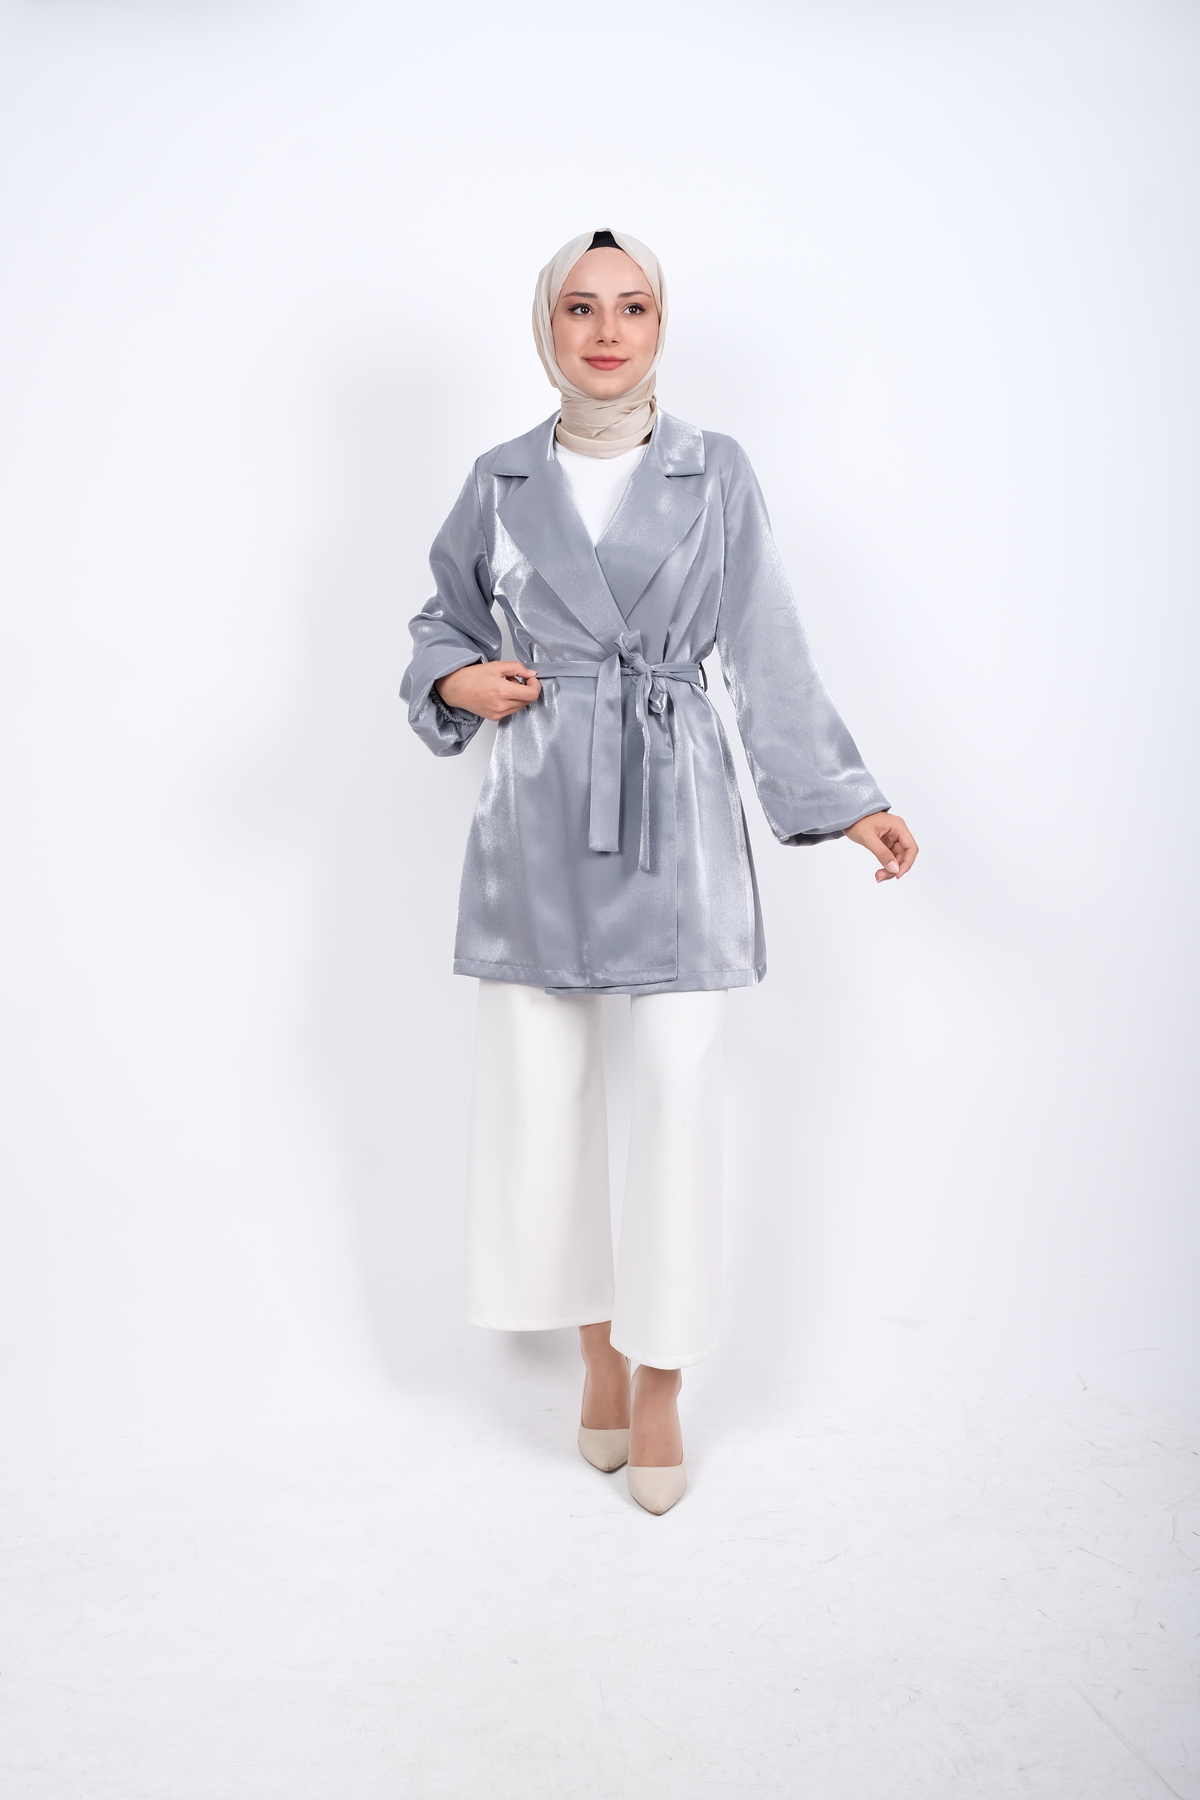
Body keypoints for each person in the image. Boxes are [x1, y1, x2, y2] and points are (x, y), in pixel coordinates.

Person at [400, 229, 917, 1514]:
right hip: (536, 802)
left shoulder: (713, 469)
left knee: (680, 1095)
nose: (606, 331)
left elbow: (766, 641)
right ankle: (595, 1350)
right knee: (543, 1096)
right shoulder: (500, 478)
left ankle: (665, 1373)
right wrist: (456, 679)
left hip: (674, 800)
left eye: (632, 307)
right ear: (547, 326)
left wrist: (845, 799)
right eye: (581, 308)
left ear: (661, 325)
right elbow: (442, 619)